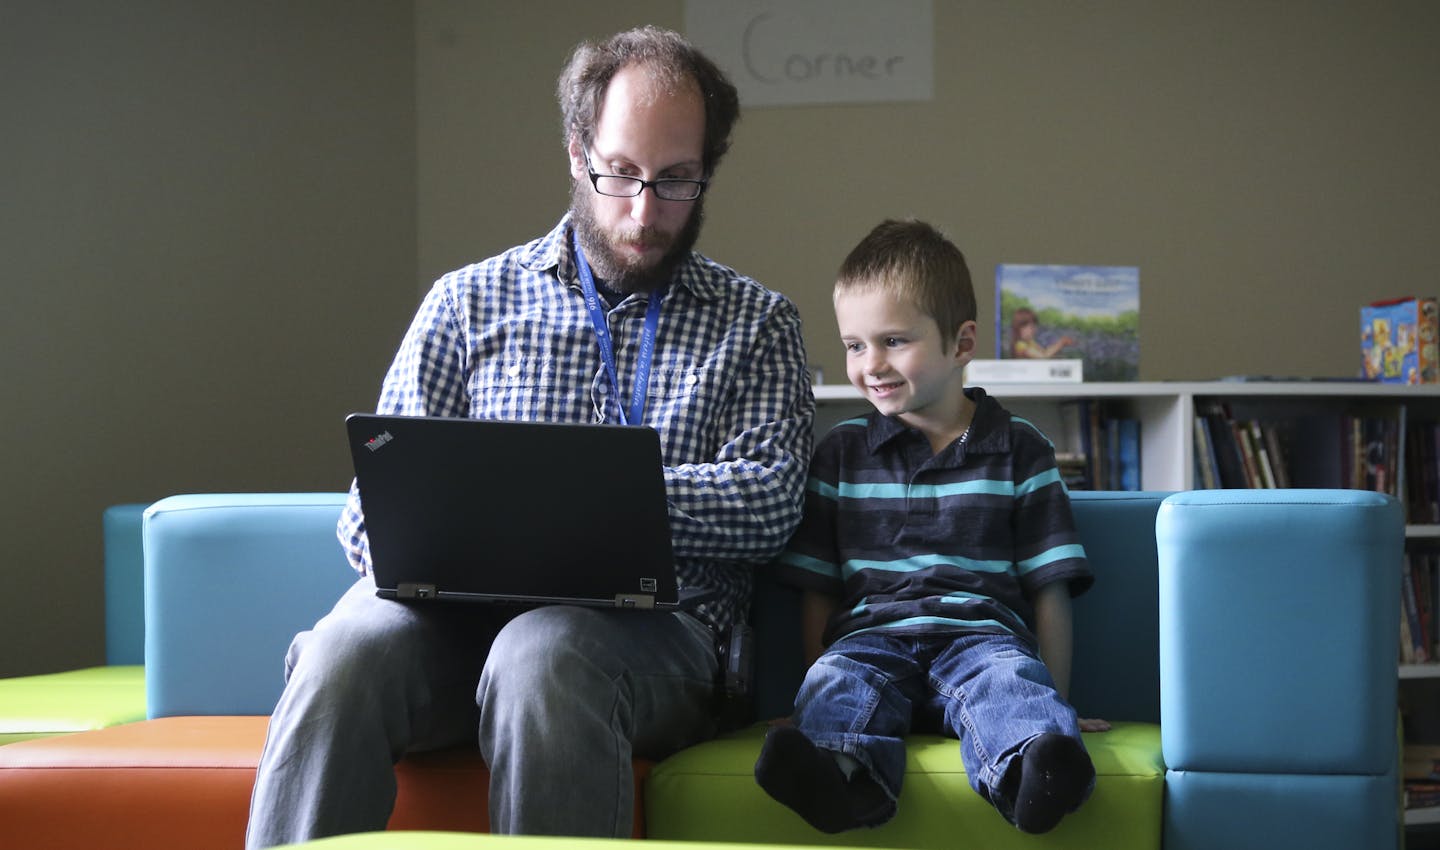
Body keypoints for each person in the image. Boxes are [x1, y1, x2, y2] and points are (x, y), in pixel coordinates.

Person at [245, 26, 814, 847]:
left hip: (656, 643)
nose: (645, 210)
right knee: (342, 649)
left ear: (707, 172)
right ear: (578, 153)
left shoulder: (758, 323)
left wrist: (604, 498)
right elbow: (368, 518)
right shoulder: (465, 304)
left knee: (543, 651)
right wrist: (495, 528)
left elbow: (770, 500)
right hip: (447, 631)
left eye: (677, 180)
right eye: (620, 173)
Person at [753, 219, 1103, 836]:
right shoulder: (839, 453)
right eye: (855, 345)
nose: (871, 365)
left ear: (961, 342)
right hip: (870, 640)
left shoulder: (1020, 449)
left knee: (1010, 684)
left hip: (979, 637)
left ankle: (1035, 771)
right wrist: (808, 694)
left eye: (893, 340)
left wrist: (1060, 701)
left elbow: (1050, 588)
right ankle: (836, 774)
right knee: (838, 681)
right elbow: (820, 591)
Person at [1010, 307, 1075, 358]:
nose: (1034, 330)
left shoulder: (1030, 342)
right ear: (1020, 328)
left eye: (1035, 327)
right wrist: (1061, 343)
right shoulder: (1020, 346)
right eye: (1031, 327)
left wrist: (1058, 346)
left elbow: (1044, 352)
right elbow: (1043, 356)